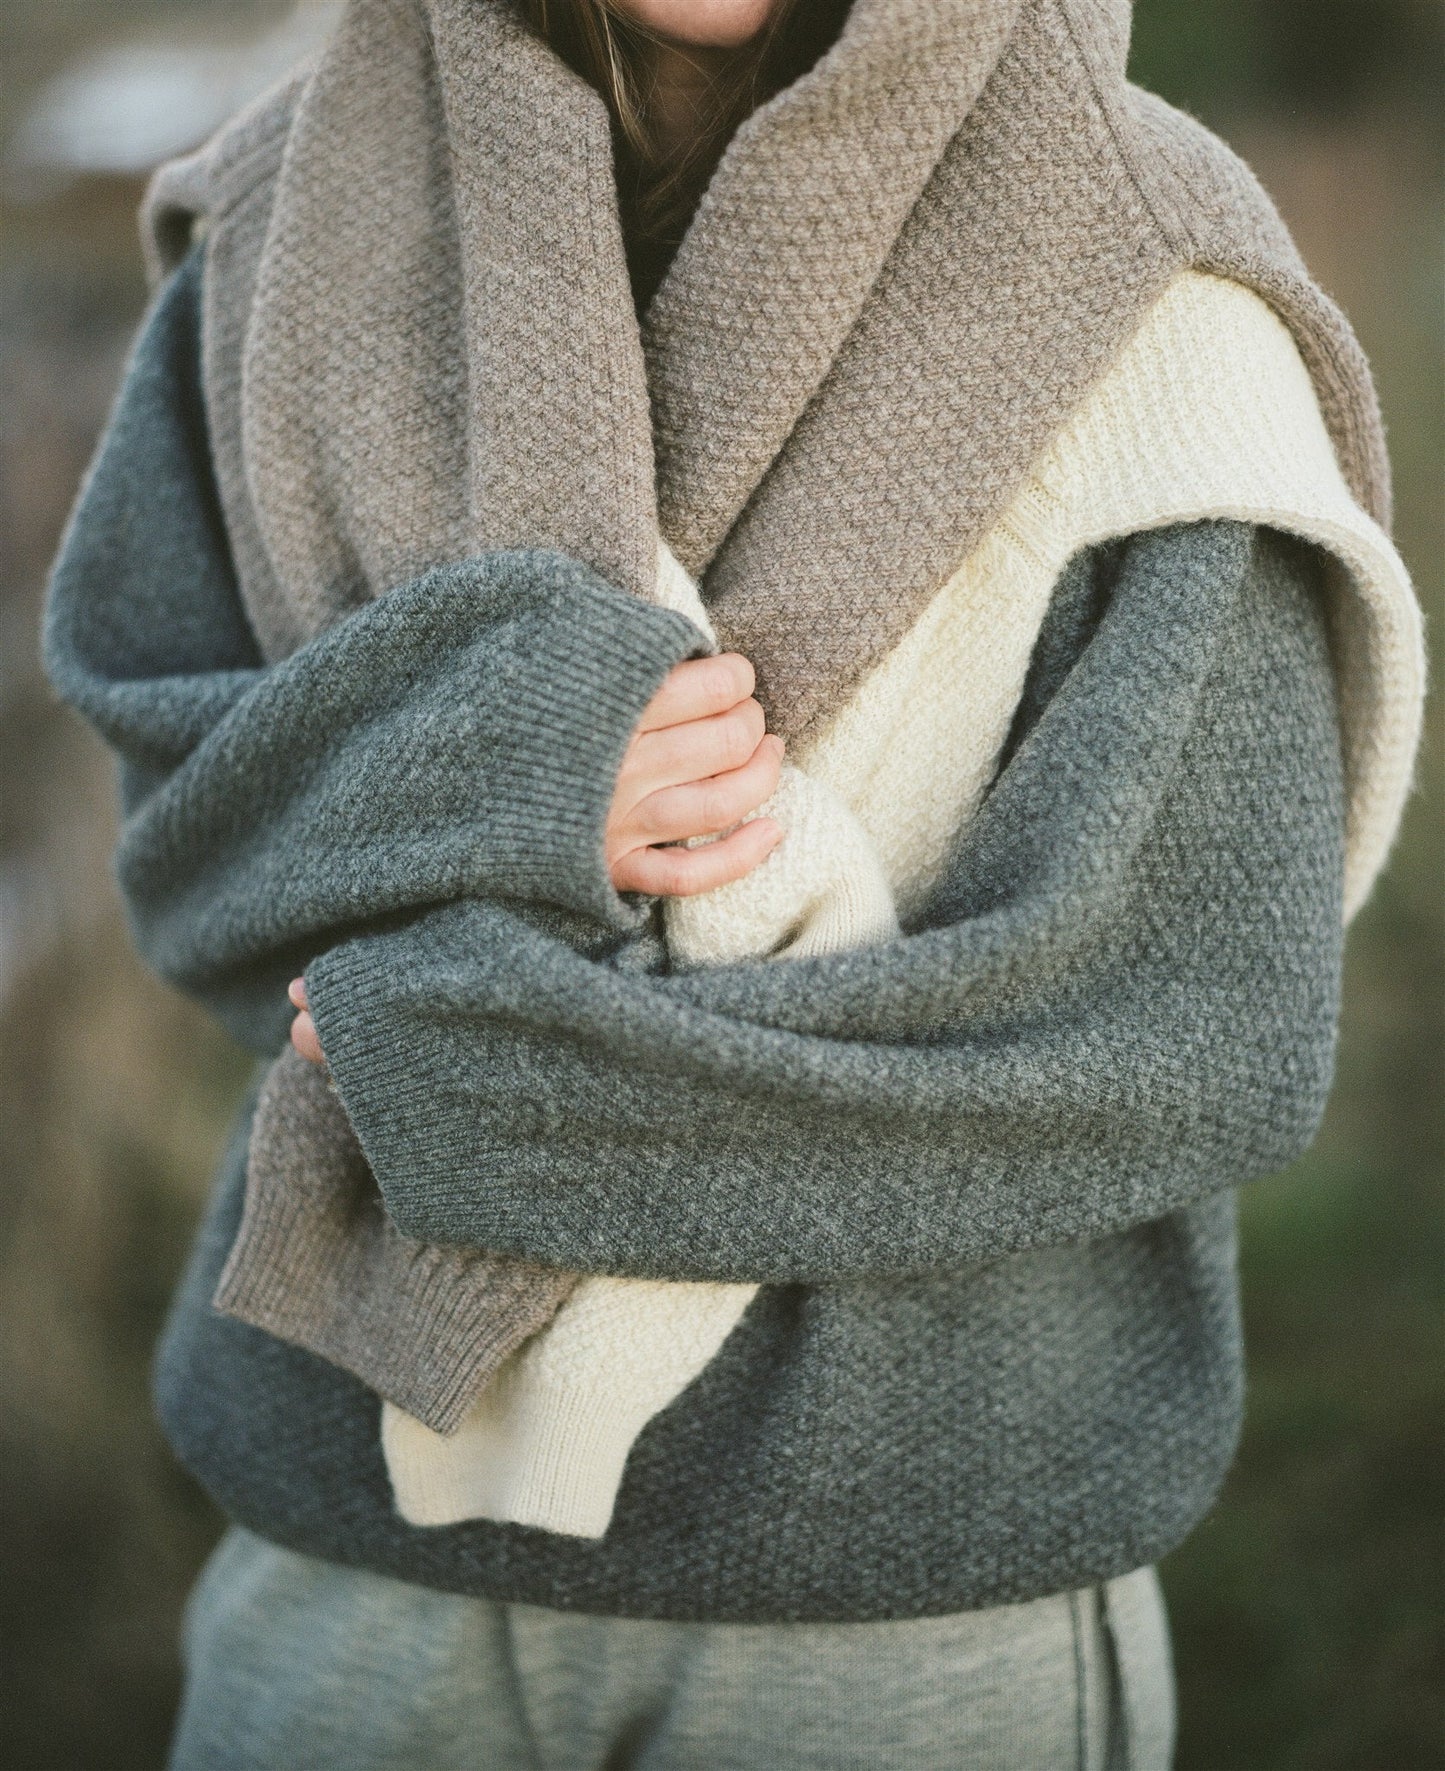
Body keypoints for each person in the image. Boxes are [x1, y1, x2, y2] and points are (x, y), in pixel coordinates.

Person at [42, 0, 1423, 1766]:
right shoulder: (280, 227)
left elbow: (1178, 1036)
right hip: (347, 1563)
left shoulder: (1146, 280)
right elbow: (181, 861)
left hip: (905, 1592)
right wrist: (503, 761)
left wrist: (469, 1085)